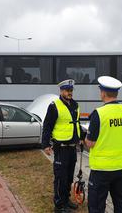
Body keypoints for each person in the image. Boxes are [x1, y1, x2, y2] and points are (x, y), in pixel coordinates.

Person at [84, 76, 122, 213]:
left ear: (103, 92)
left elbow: (90, 143)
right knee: (121, 206)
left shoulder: (99, 114)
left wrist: (84, 137)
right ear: (116, 92)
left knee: (96, 207)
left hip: (102, 169)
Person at [42, 79, 83, 213]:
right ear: (61, 91)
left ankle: (66, 199)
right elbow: (47, 126)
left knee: (69, 176)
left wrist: (81, 138)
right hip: (61, 148)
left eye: (71, 90)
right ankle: (59, 205)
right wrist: (46, 144)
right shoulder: (54, 106)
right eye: (67, 90)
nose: (69, 93)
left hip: (72, 147)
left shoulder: (75, 105)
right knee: (61, 177)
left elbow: (76, 123)